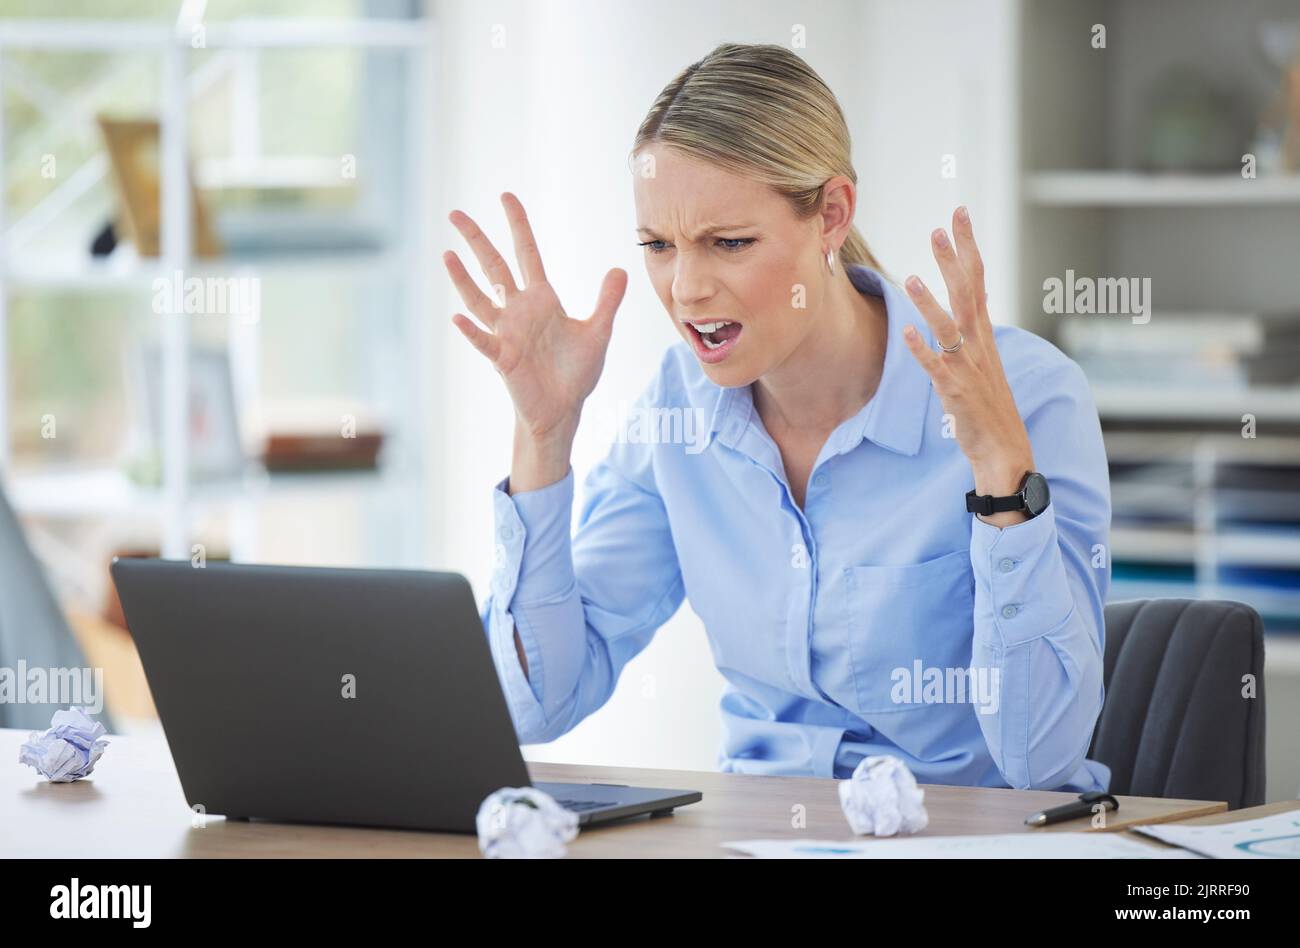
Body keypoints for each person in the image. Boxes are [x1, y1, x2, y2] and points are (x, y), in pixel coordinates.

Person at [442, 43, 1111, 791]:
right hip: (755, 832)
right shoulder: (680, 409)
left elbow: (1042, 754)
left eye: (729, 243)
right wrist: (544, 439)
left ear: (831, 215)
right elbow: (538, 701)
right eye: (659, 246)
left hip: (966, 835)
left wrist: (1000, 477)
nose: (686, 288)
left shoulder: (1026, 394)